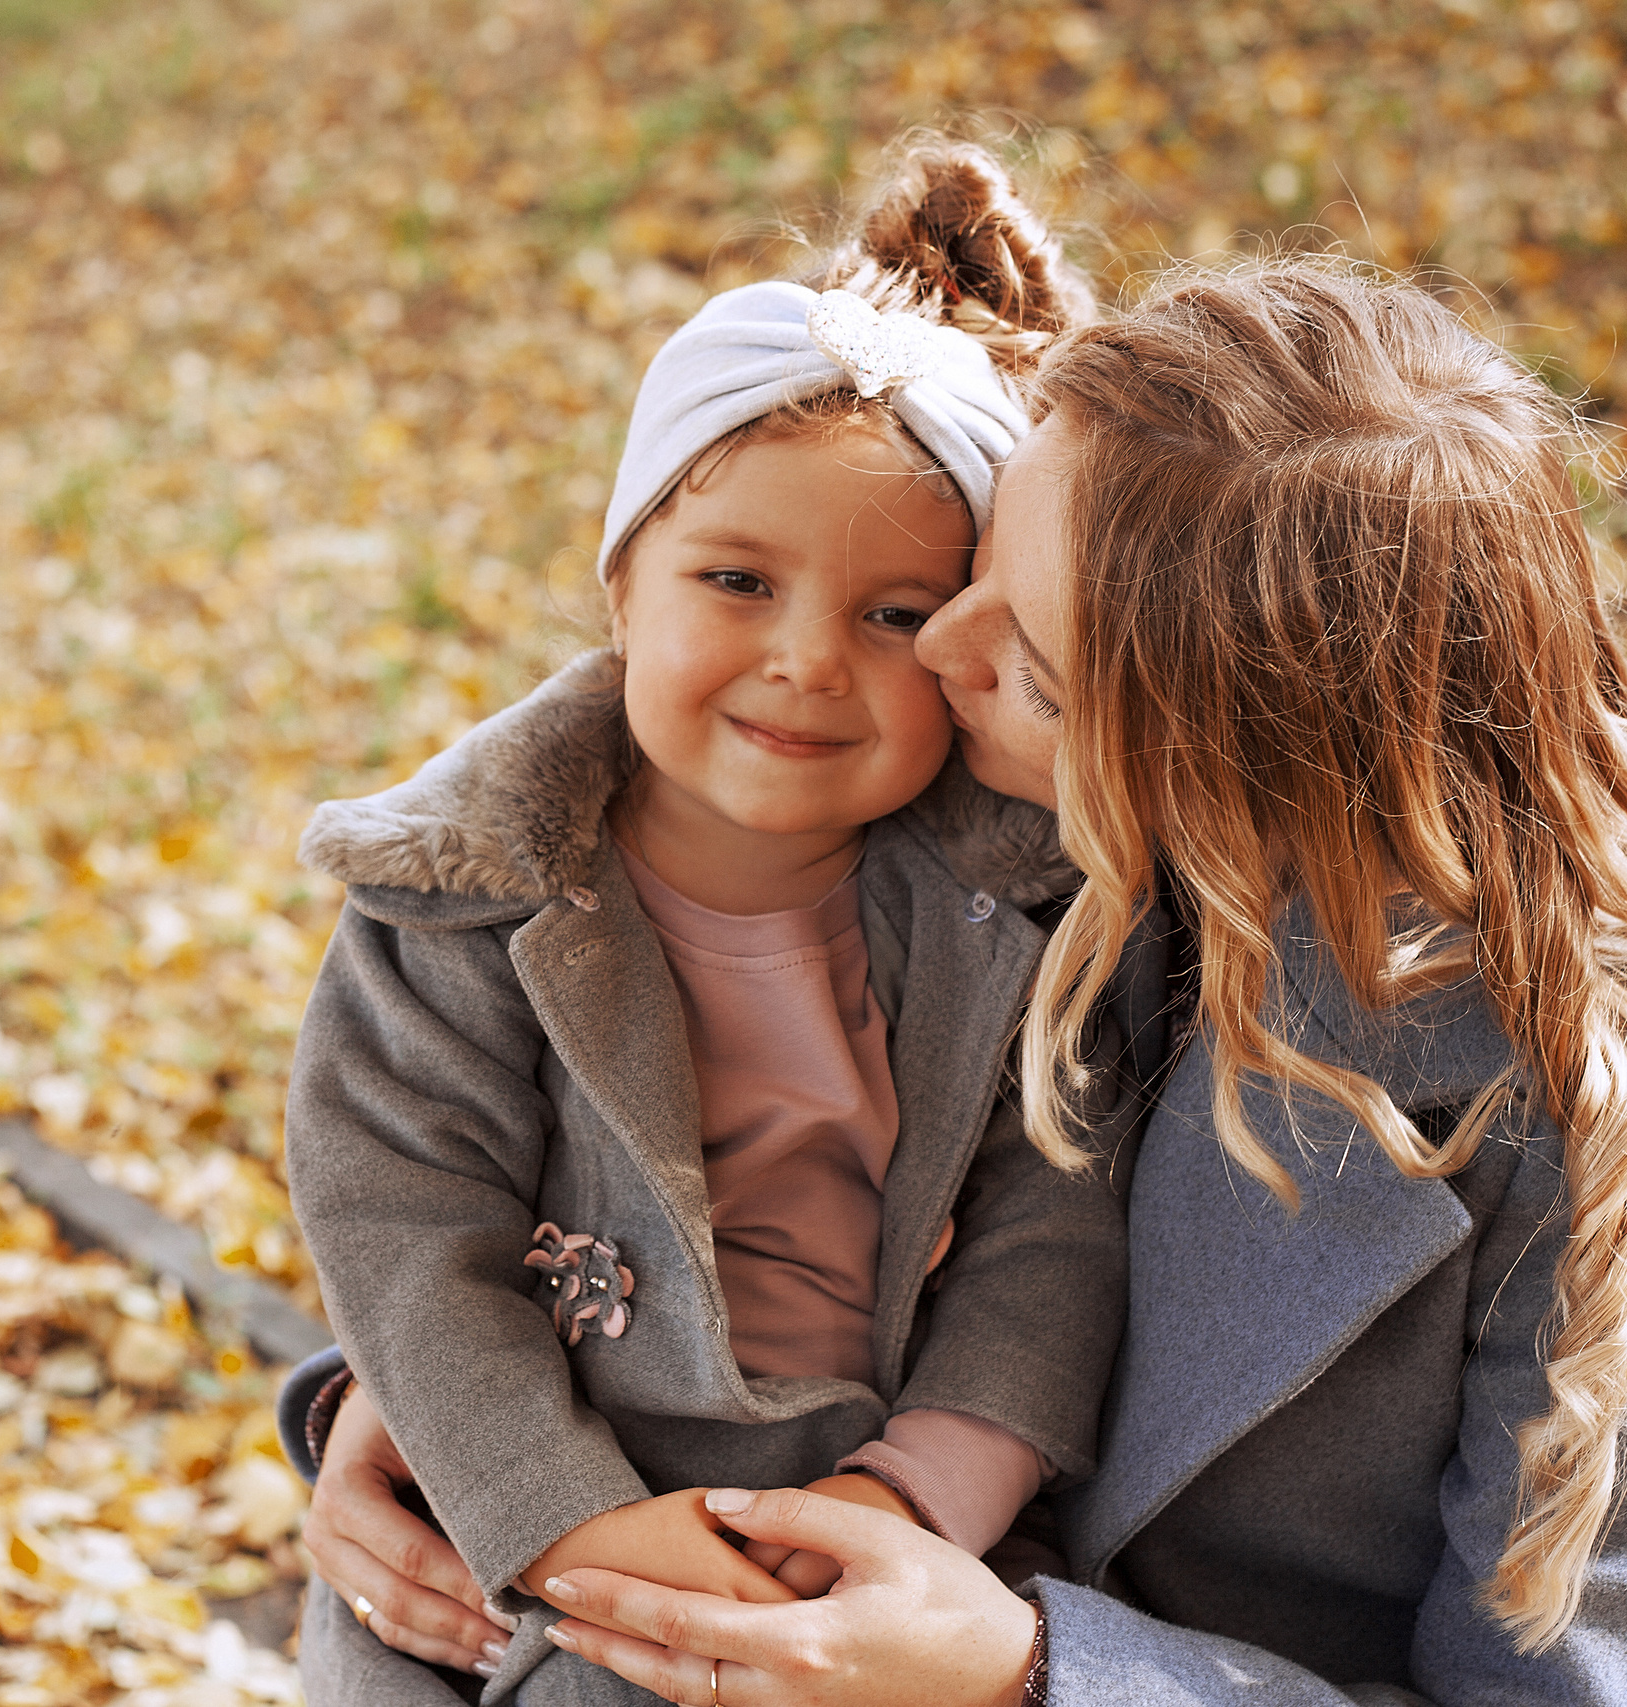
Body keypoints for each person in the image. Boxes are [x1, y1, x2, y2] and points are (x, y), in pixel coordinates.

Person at [288, 256, 1627, 1704]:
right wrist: (424, 1425)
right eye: (978, 572)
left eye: (1018, 660)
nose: (928, 661)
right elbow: (636, 1104)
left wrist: (1026, 1675)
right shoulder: (1042, 838)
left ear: (1241, 759)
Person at [280, 145, 1177, 1705]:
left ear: (972, 641)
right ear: (625, 583)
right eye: (736, 580)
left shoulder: (1020, 923)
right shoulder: (461, 904)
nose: (810, 660)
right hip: (529, 1532)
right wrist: (567, 1527)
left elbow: (1050, 1240)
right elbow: (410, 1237)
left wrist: (909, 1502)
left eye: (895, 615)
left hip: (866, 1543)